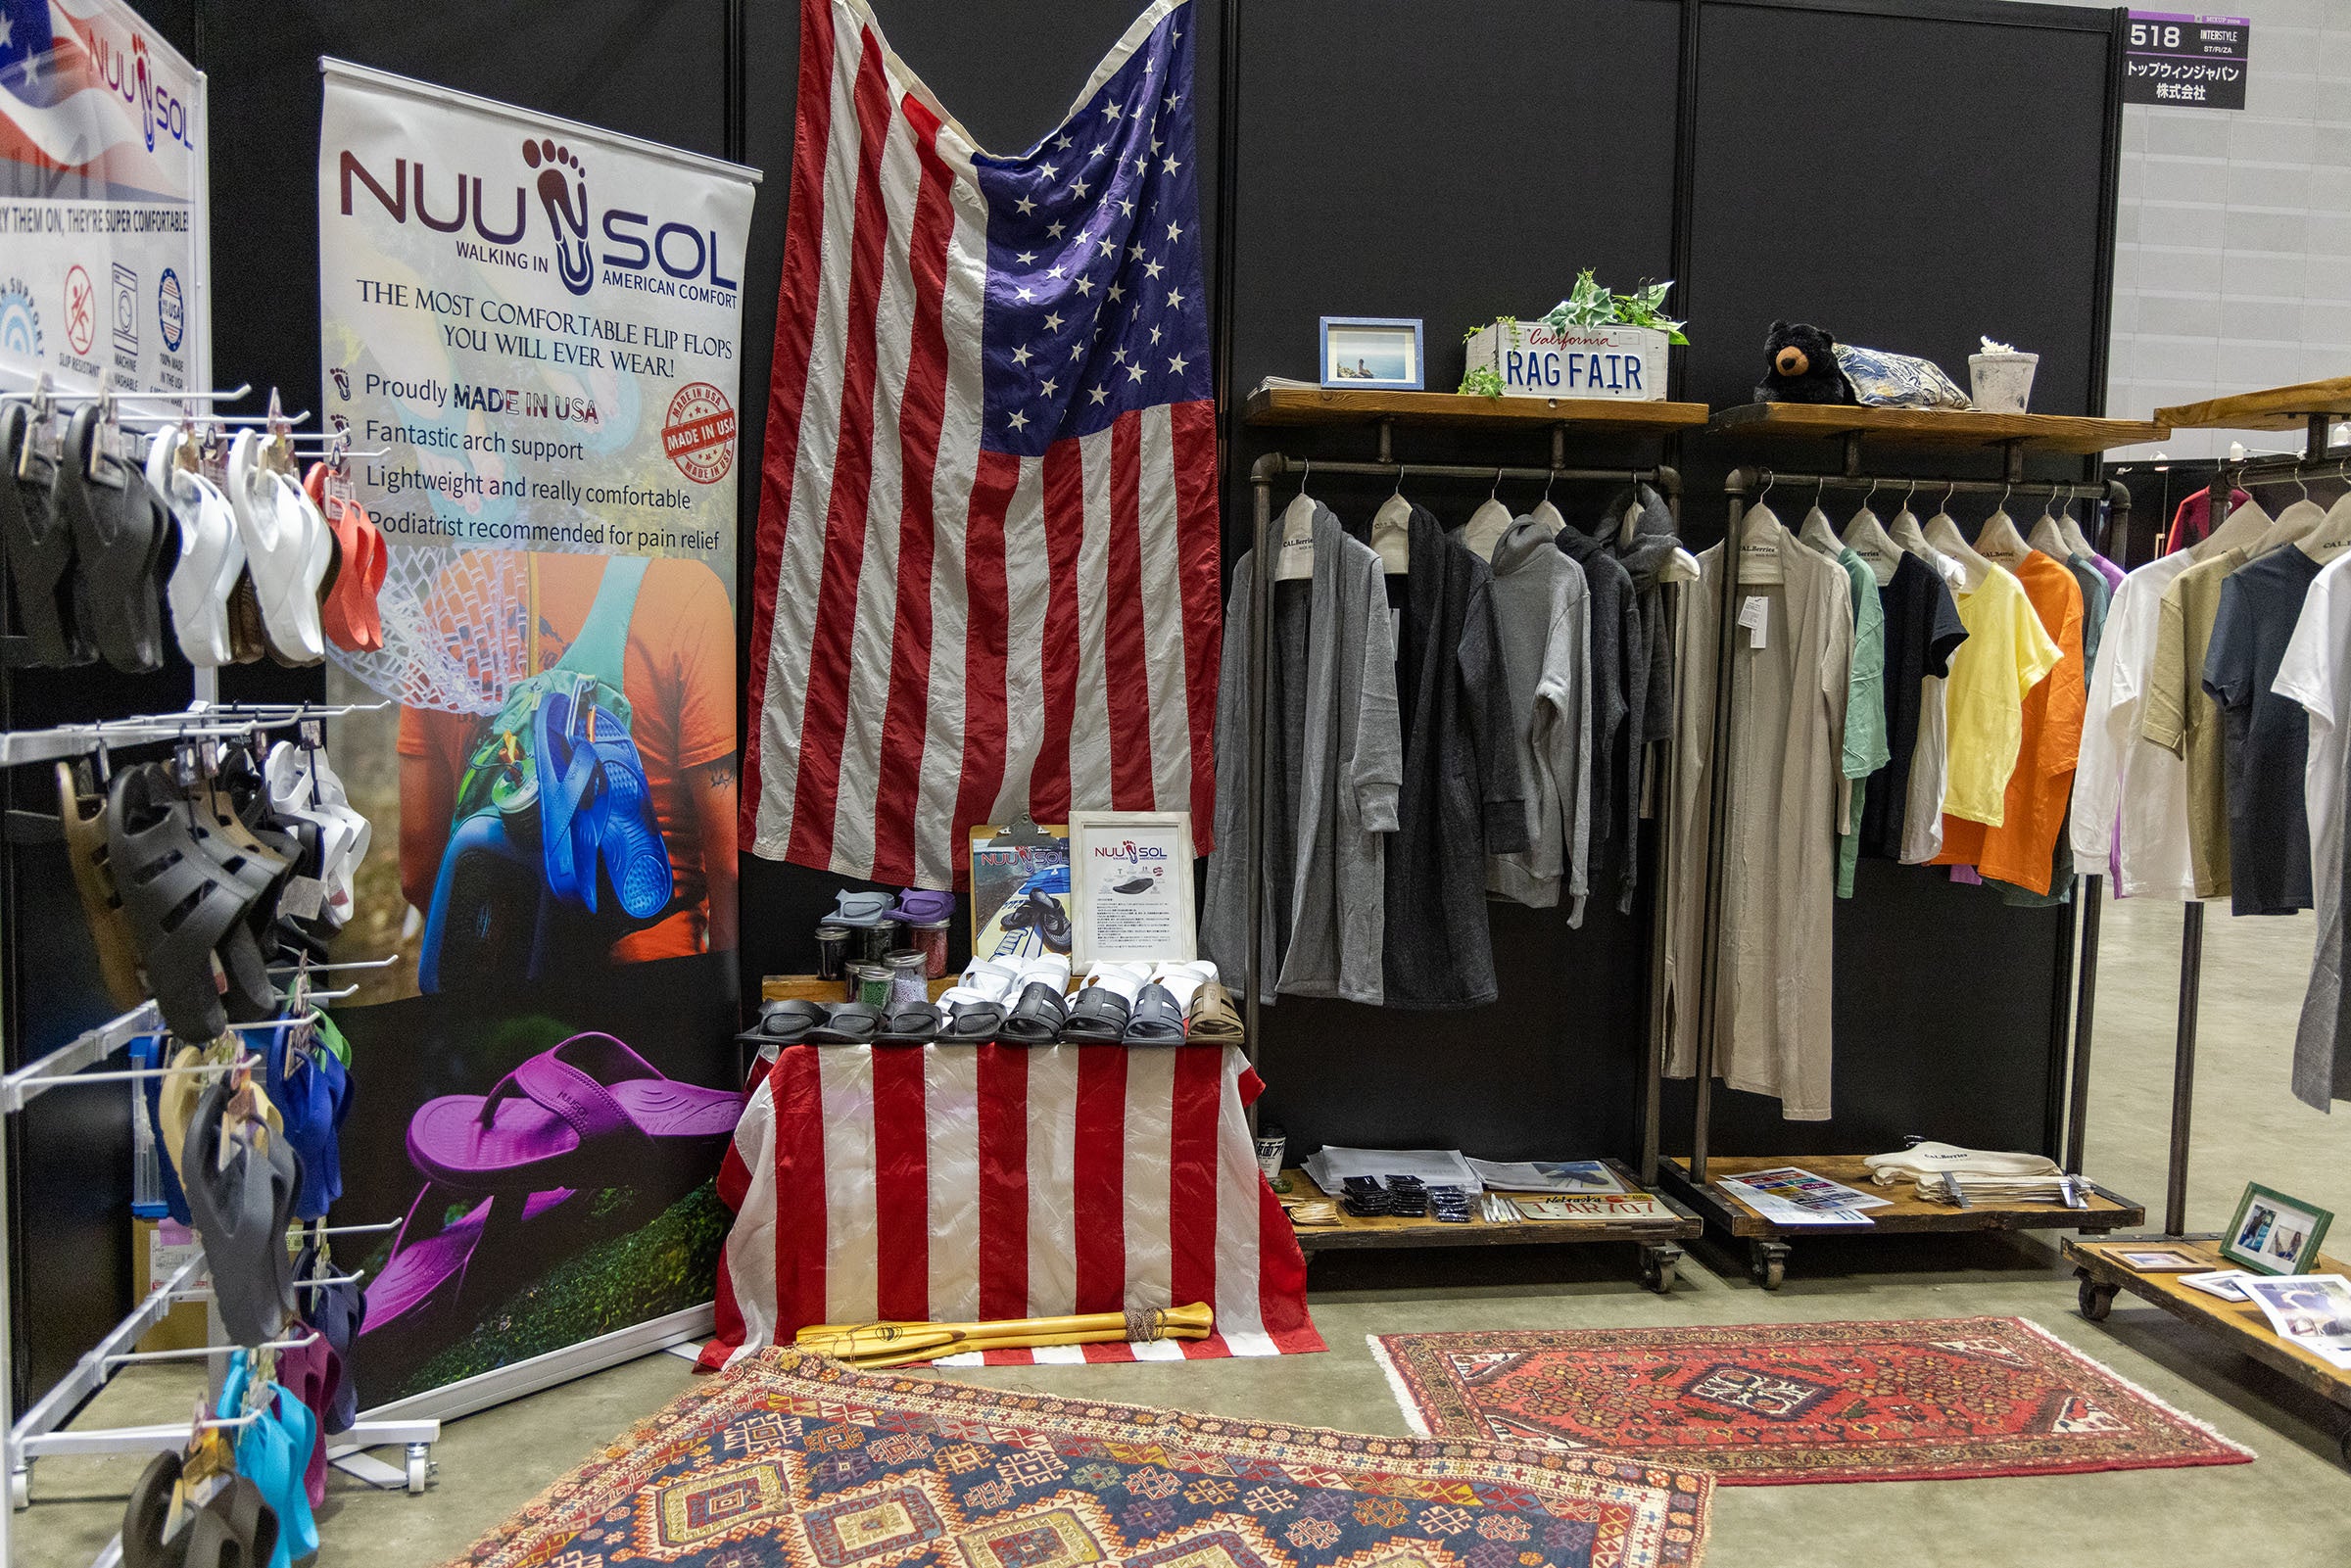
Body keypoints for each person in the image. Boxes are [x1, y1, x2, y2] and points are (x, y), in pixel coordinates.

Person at [400, 549, 739, 963]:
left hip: (495, 971)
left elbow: (418, 872)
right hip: (650, 973)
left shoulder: (453, 594)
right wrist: (722, 987)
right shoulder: (685, 591)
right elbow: (730, 867)